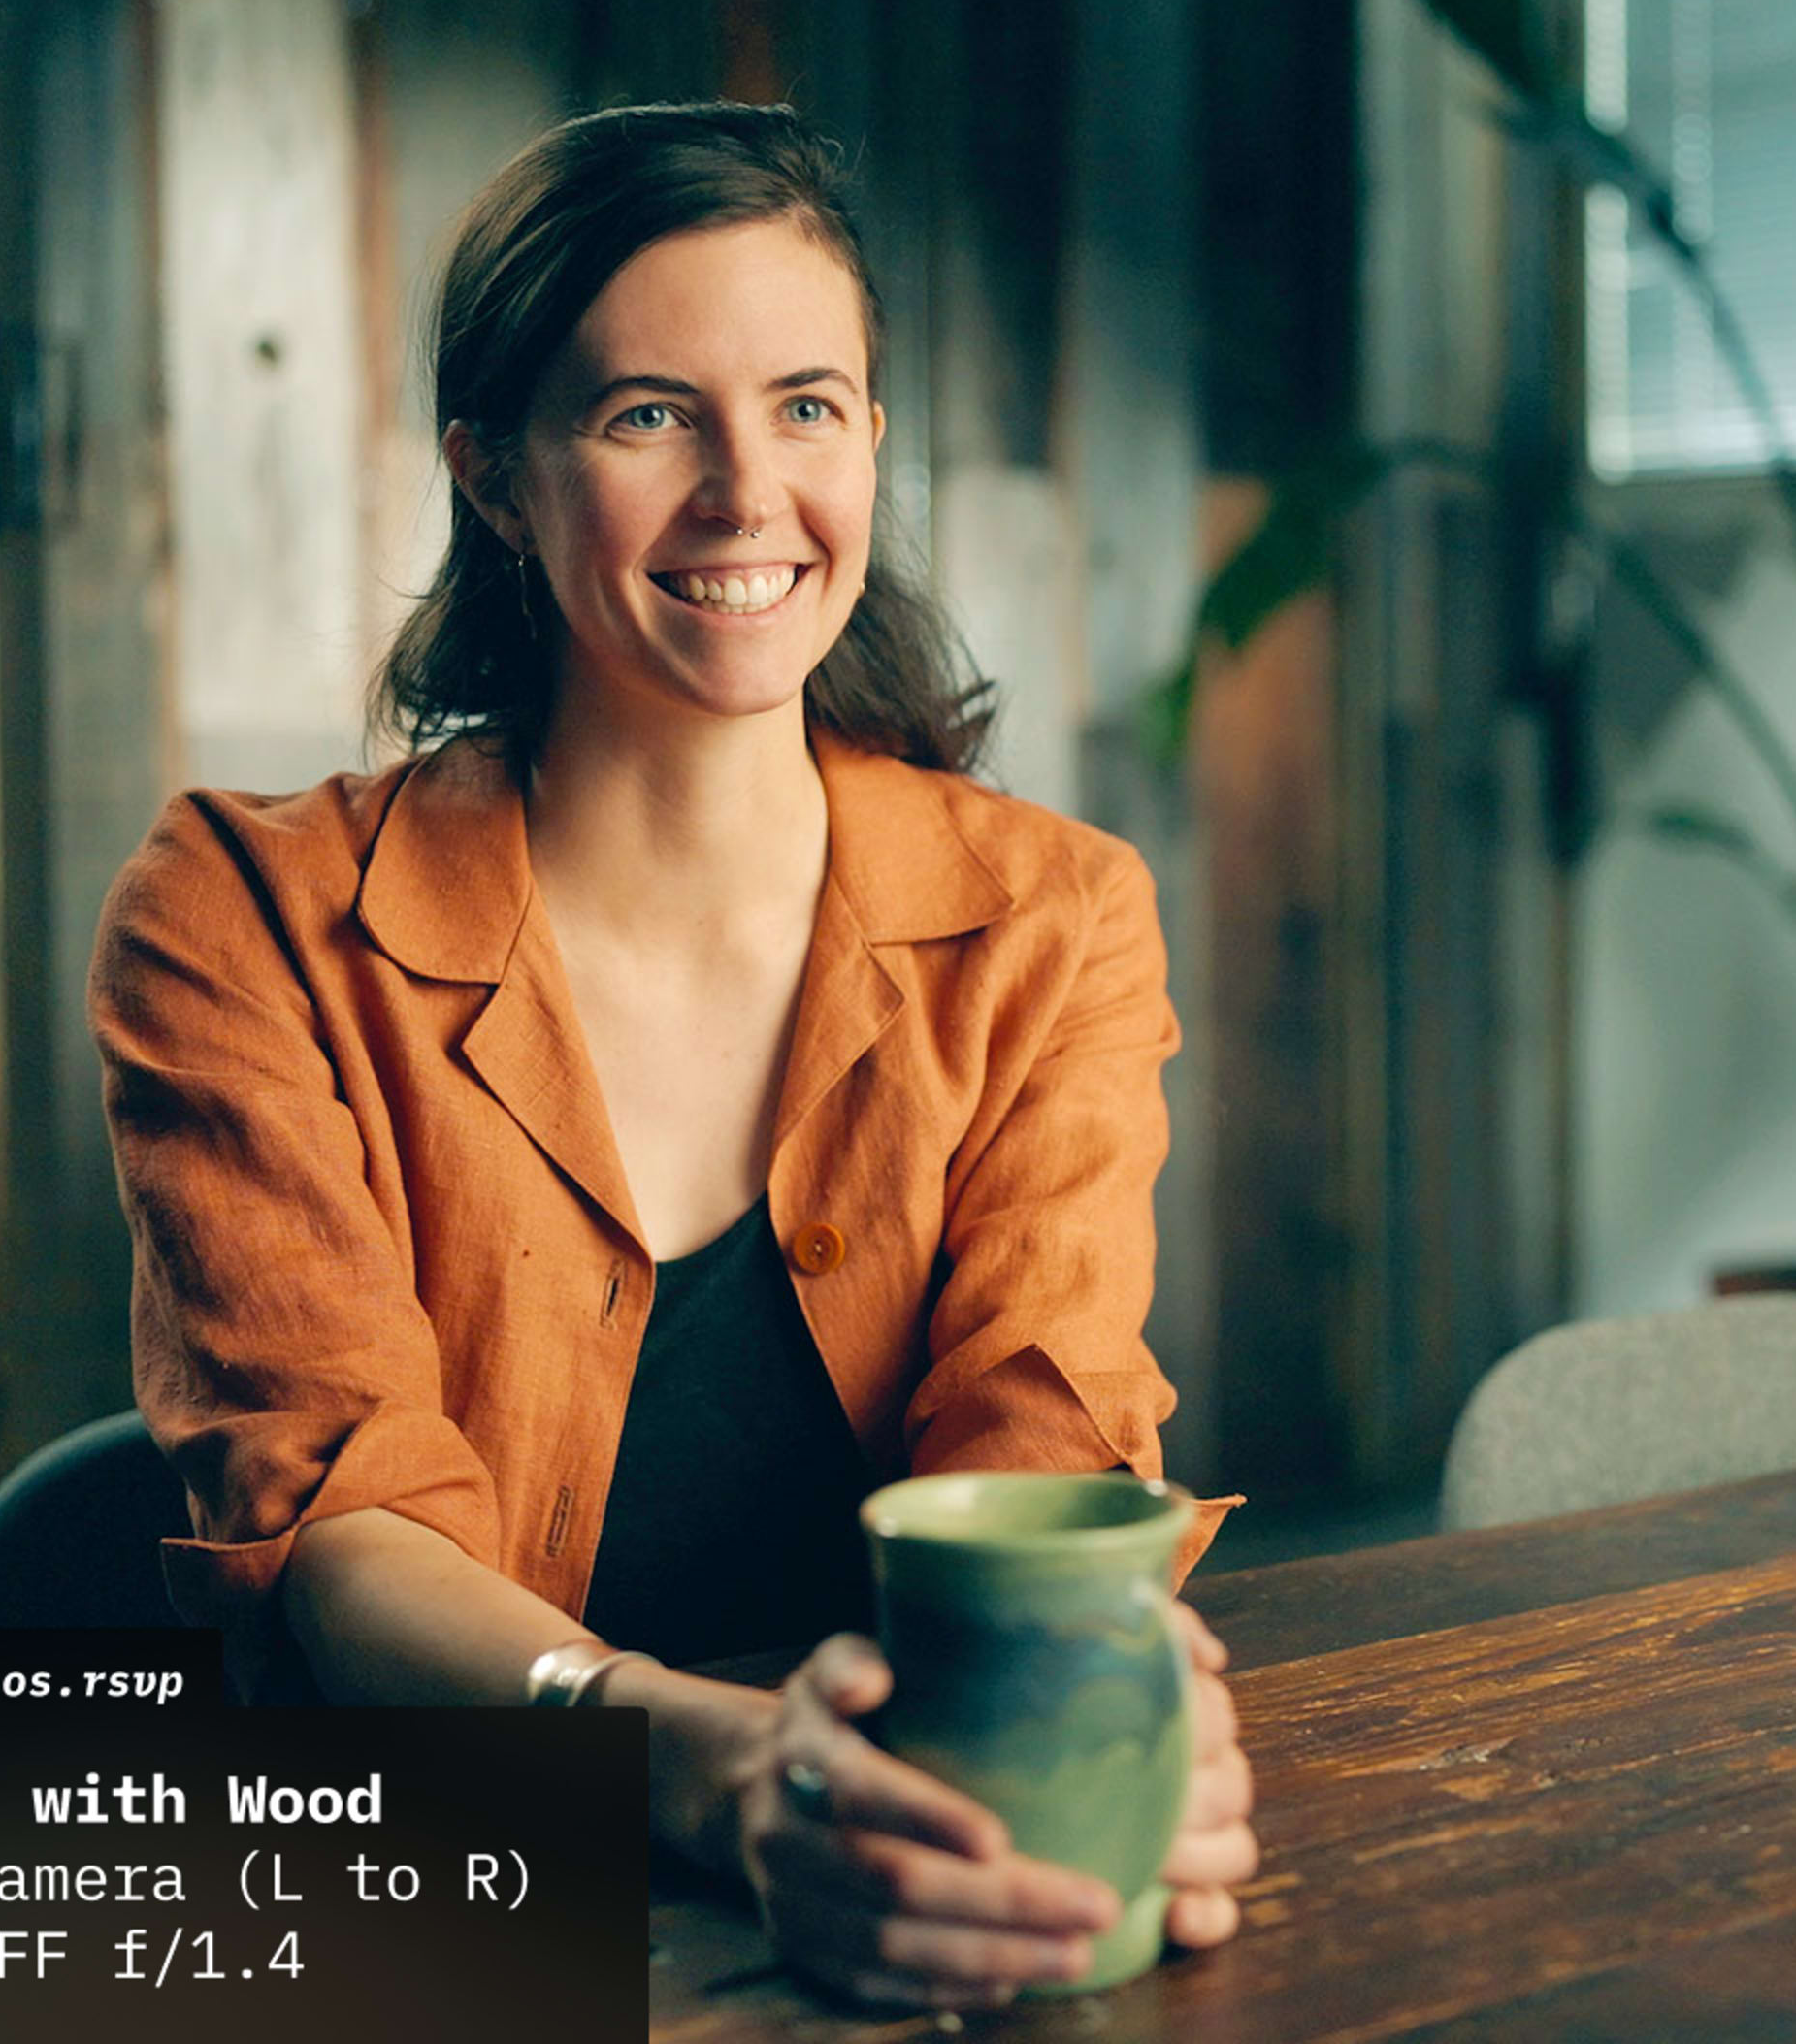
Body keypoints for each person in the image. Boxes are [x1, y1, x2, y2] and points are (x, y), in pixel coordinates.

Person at [88, 101, 1254, 2010]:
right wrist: (721, 1769)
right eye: (646, 415)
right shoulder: (239, 914)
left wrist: (1096, 1733)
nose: (743, 495)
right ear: (493, 473)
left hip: (892, 1879)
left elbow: (1042, 1428)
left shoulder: (1058, 919)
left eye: (807, 405)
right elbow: (340, 1521)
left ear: (873, 441)